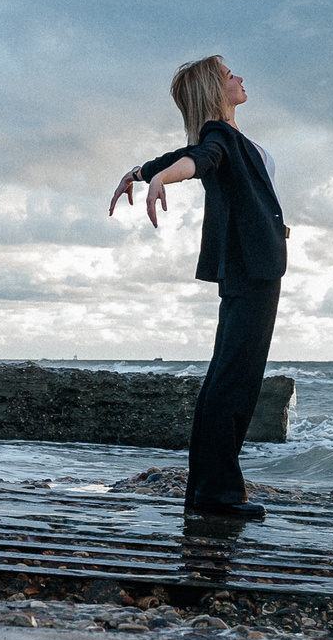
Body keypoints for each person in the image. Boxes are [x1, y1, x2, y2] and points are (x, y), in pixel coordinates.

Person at [109, 55, 287, 521]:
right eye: (230, 75)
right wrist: (162, 178)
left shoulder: (223, 136)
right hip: (253, 269)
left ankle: (209, 490)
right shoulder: (218, 138)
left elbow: (185, 156)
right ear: (215, 88)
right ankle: (218, 494)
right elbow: (196, 161)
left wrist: (141, 172)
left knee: (225, 378)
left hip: (250, 266)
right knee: (235, 380)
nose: (241, 77)